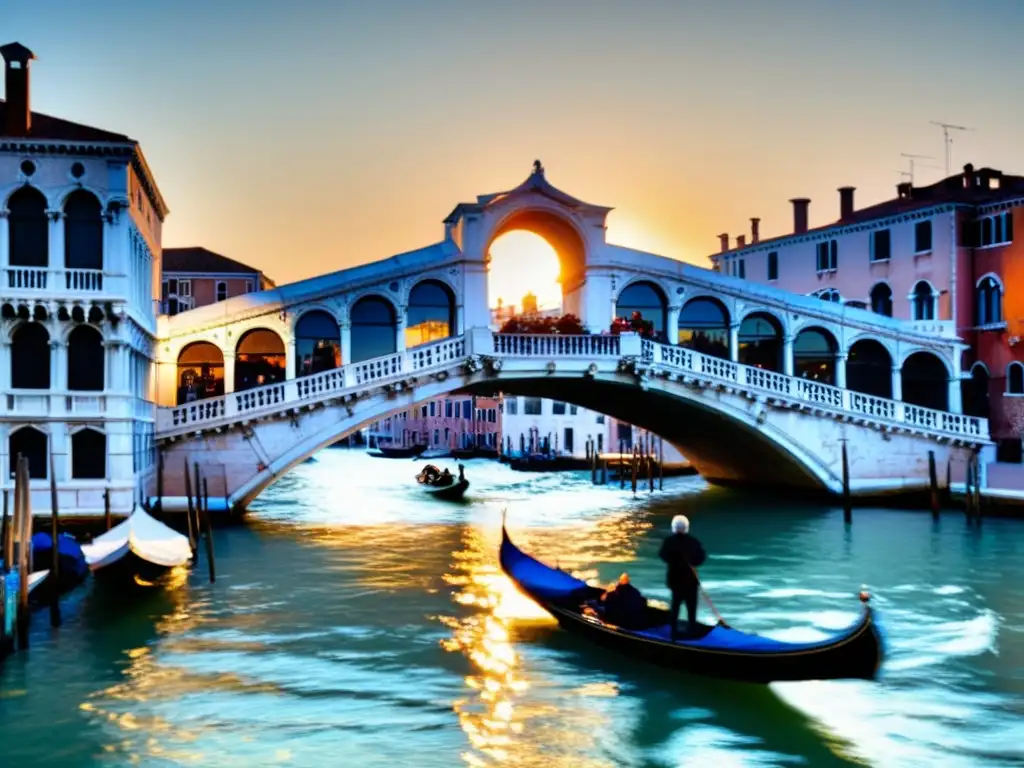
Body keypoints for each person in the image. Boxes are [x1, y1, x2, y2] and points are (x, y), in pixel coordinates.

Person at [658, 514, 706, 640]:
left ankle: (673, 633)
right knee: (691, 609)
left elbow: (663, 556)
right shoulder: (693, 541)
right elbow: (701, 559)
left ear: (674, 527)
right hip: (691, 582)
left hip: (676, 582)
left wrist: (674, 558)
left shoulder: (669, 542)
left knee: (675, 608)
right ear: (686, 527)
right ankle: (692, 632)